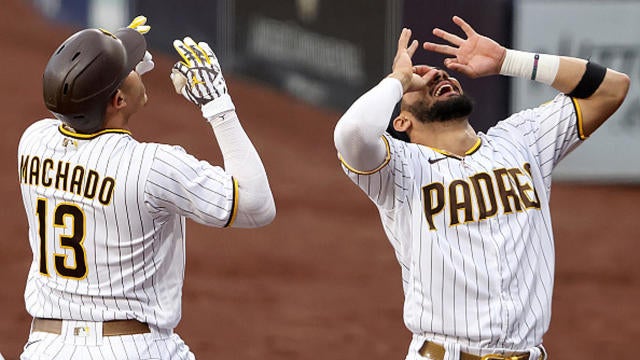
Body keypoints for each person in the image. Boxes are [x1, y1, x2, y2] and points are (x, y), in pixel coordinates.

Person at [334, 16, 629, 360]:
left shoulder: (522, 139)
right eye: (421, 79)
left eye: (441, 73)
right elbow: (351, 133)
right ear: (401, 121)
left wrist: (508, 60)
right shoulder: (399, 168)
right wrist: (399, 79)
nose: (437, 75)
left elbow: (612, 87)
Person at [18, 16, 275, 359]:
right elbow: (257, 205)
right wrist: (219, 106)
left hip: (46, 347)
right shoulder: (153, 168)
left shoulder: (33, 142)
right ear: (118, 101)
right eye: (131, 70)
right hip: (132, 348)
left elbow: (77, 107)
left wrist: (109, 64)